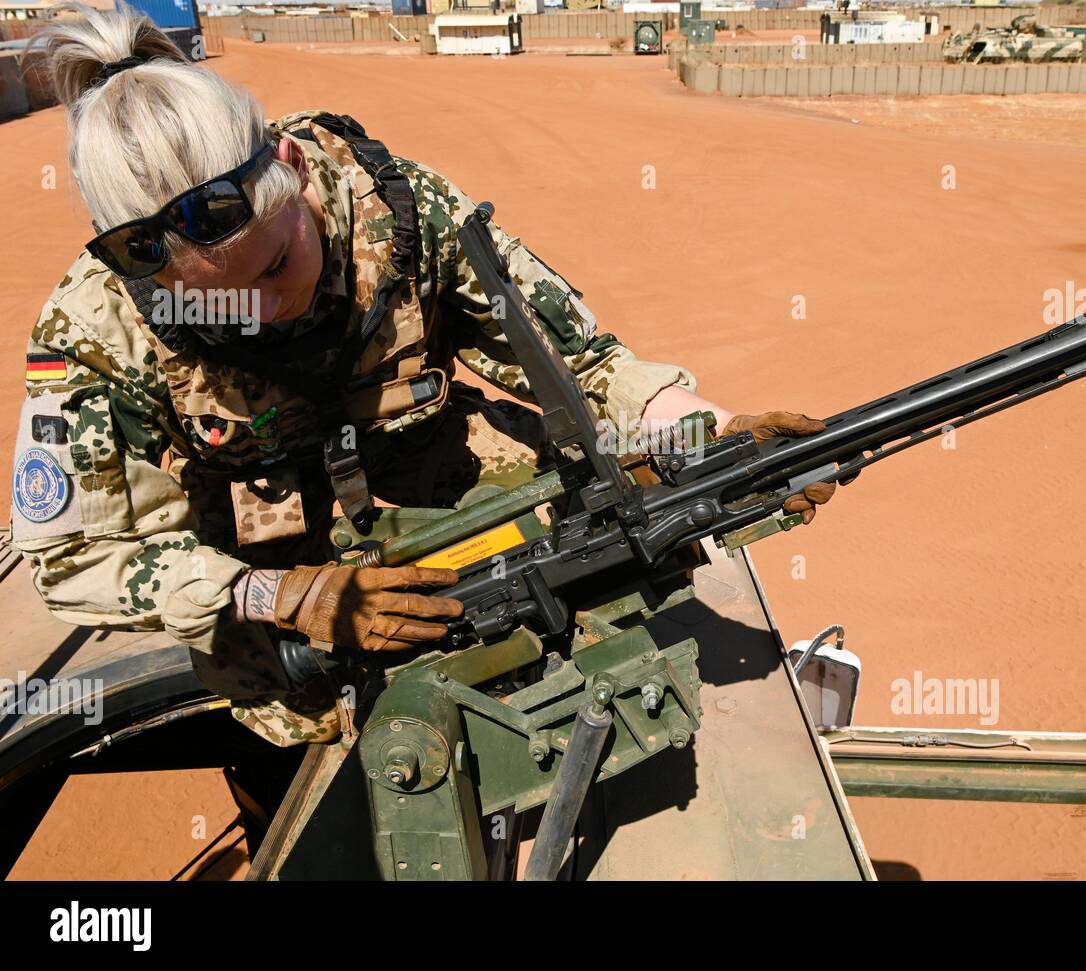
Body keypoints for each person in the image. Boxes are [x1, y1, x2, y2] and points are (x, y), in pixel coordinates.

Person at [11, 5, 837, 746]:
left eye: (273, 269)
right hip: (261, 587)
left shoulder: (405, 210)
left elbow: (585, 363)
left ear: (294, 169)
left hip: (444, 494)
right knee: (300, 766)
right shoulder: (97, 325)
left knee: (594, 565)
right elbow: (76, 557)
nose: (261, 318)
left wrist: (707, 443)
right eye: (216, 306)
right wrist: (281, 597)